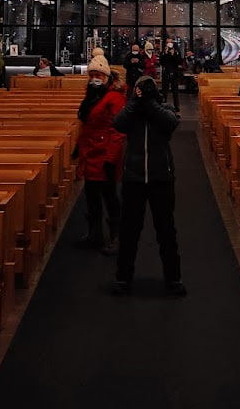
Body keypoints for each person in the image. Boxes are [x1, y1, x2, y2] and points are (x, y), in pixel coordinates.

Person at [112, 75, 185, 297]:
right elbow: (118, 124)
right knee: (129, 231)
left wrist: (151, 102)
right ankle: (123, 278)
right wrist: (135, 101)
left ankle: (173, 279)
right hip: (134, 177)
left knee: (166, 230)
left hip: (161, 177)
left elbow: (170, 123)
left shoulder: (164, 108)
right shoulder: (132, 112)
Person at [74, 53, 125, 252]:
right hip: (90, 153)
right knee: (91, 197)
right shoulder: (91, 95)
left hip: (105, 154)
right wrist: (79, 147)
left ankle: (116, 236)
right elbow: (87, 124)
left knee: (110, 196)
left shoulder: (114, 97)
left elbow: (117, 130)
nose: (95, 78)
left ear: (106, 76)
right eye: (92, 74)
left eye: (99, 75)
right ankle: (94, 234)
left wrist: (111, 158)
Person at [160, 39, 183, 113]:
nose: (169, 44)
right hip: (166, 73)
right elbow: (161, 62)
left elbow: (179, 62)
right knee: (164, 92)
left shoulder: (176, 52)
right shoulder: (163, 52)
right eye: (167, 42)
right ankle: (163, 108)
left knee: (175, 92)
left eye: (170, 42)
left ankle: (177, 108)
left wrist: (173, 55)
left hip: (174, 74)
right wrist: (165, 53)